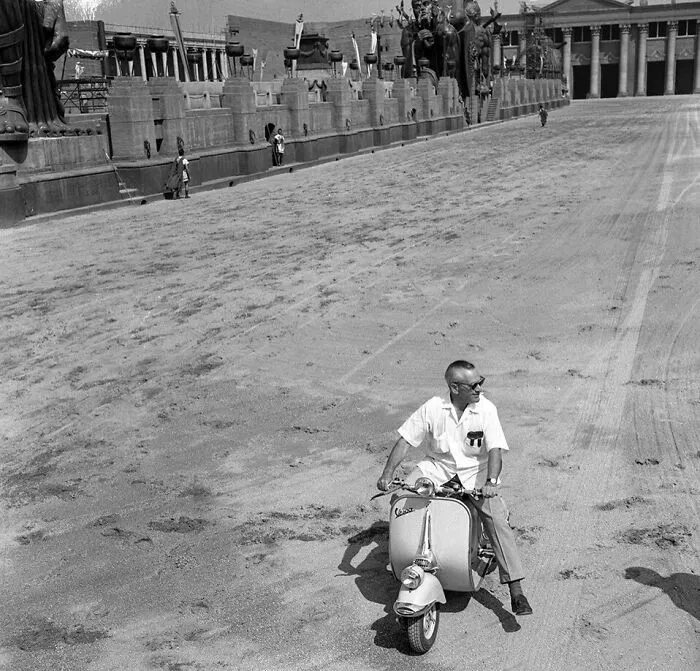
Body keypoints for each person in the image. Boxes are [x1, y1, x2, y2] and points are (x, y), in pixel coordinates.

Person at [377, 359, 533, 616]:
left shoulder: (486, 409)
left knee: (496, 519)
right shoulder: (433, 407)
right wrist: (387, 474)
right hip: (437, 470)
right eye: (474, 385)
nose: (480, 389)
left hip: (475, 475)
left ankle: (516, 589)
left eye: (481, 382)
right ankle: (406, 554)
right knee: (402, 500)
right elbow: (405, 441)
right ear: (455, 387)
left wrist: (491, 483)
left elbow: (495, 450)